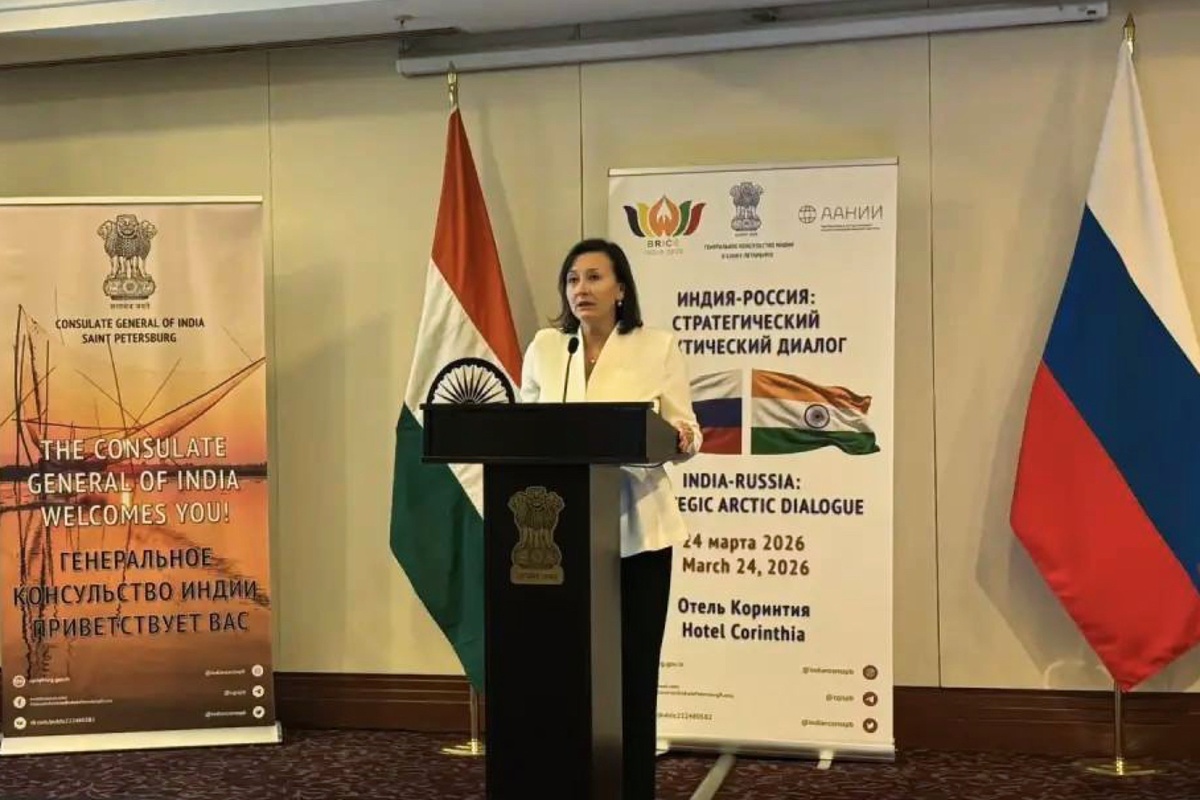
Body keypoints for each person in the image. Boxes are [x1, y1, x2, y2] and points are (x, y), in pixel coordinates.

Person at [519, 237, 701, 800]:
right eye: (573, 279)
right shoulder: (548, 348)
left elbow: (686, 430)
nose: (582, 289)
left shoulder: (656, 346)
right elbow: (523, 430)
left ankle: (633, 786)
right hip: (561, 536)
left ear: (621, 288)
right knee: (567, 667)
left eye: (594, 277)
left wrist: (680, 437)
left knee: (633, 664)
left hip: (637, 527)